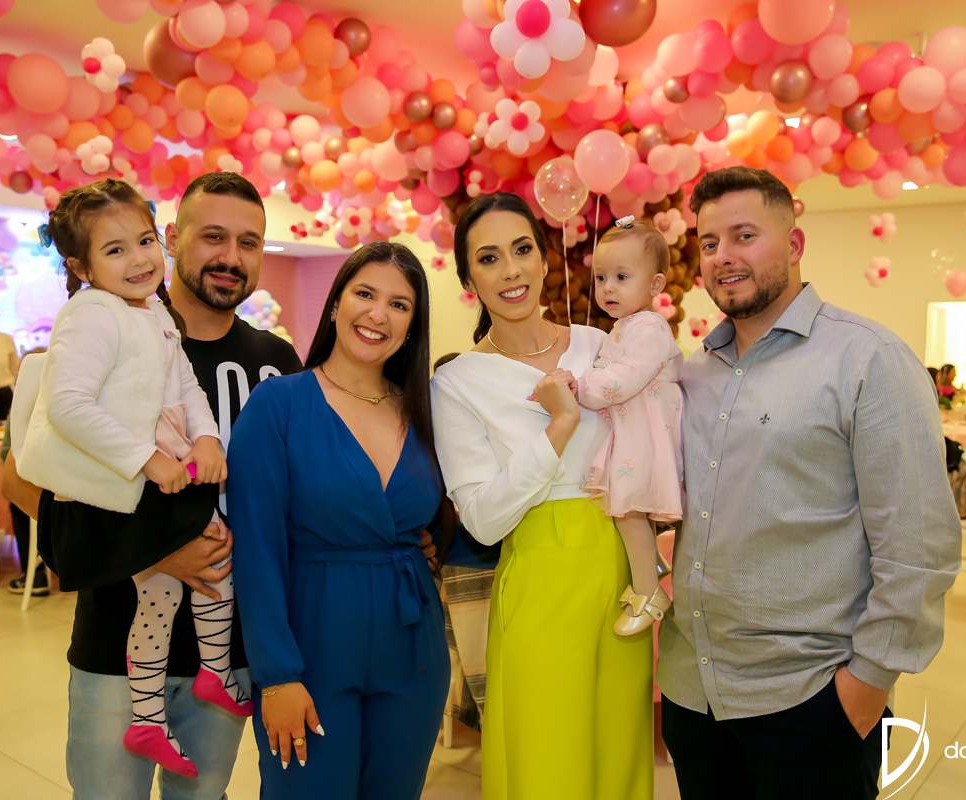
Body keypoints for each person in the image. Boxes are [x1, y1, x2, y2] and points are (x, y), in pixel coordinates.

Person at [661, 167, 961, 798]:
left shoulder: (868, 359)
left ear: (794, 244)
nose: (722, 256)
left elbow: (919, 543)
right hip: (694, 692)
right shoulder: (693, 374)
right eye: (709, 243)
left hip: (810, 700)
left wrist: (867, 684)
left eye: (744, 235)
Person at [12, 171, 304, 800]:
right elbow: (30, 483)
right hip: (115, 644)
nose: (231, 257)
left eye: (249, 242)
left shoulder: (278, 364)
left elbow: (294, 495)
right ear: (173, 238)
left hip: (232, 650)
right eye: (213, 236)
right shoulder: (104, 335)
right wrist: (156, 548)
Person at [432, 192, 653, 800]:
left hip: (620, 572)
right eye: (489, 258)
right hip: (539, 580)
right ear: (469, 280)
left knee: (616, 755)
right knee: (547, 759)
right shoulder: (457, 382)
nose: (511, 270)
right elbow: (482, 519)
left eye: (522, 249)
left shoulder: (601, 345)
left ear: (545, 259)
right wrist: (558, 428)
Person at [227, 241, 451, 799]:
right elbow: (256, 550)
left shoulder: (425, 411)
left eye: (399, 305)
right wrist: (276, 676)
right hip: (311, 642)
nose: (378, 314)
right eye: (365, 294)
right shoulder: (277, 404)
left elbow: (454, 512)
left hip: (414, 648)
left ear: (413, 326)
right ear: (335, 304)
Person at [575, 217, 684, 635]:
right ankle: (651, 565)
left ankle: (649, 593)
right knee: (631, 509)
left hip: (645, 436)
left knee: (628, 511)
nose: (608, 288)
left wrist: (580, 386)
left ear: (655, 284)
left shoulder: (651, 327)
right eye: (601, 278)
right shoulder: (626, 326)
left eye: (621, 277)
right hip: (633, 431)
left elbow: (620, 381)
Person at [0, 350, 49, 597]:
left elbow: (6, 452)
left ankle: (34, 571)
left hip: (38, 485)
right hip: (67, 486)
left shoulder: (23, 402)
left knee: (18, 505)